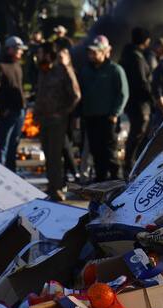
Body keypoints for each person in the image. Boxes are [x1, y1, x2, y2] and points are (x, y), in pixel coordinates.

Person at [33, 40, 80, 201]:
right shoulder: (42, 71)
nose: (37, 56)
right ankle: (52, 185)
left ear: (47, 54)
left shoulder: (63, 70)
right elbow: (40, 95)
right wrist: (36, 114)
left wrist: (63, 113)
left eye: (39, 53)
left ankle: (58, 188)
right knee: (47, 154)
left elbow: (76, 96)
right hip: (44, 119)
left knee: (55, 155)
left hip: (57, 120)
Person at [78, 35, 127, 182]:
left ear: (104, 52)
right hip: (91, 117)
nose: (91, 55)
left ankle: (116, 181)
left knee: (110, 152)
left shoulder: (115, 70)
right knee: (95, 151)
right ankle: (101, 181)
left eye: (95, 52)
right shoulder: (85, 71)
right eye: (90, 52)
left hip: (108, 118)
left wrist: (115, 113)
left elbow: (123, 94)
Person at [119, 27, 152, 175]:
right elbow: (142, 82)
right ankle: (130, 164)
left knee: (137, 133)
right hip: (139, 102)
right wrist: (152, 97)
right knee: (138, 133)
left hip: (134, 101)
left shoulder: (128, 54)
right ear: (145, 40)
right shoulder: (136, 58)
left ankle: (132, 163)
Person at [0, 36, 25, 170]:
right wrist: (3, 107)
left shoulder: (18, 66)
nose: (21, 52)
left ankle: (12, 171)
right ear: (10, 49)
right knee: (3, 143)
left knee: (14, 144)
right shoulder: (0, 66)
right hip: (8, 111)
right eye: (18, 49)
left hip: (20, 110)